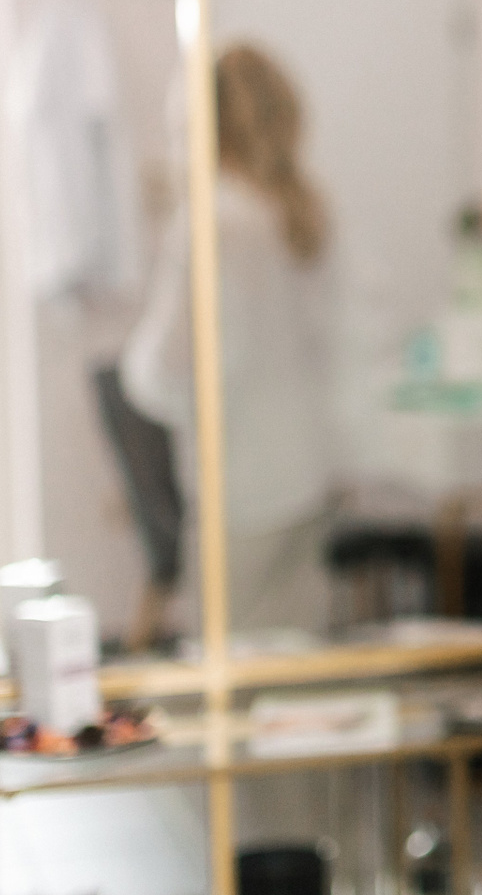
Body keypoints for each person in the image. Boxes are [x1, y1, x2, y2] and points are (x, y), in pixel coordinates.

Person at [123, 41, 335, 639]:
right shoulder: (295, 213)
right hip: (306, 475)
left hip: (241, 488)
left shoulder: (211, 222)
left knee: (233, 663)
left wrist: (136, 374)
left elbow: (166, 371)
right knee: (296, 658)